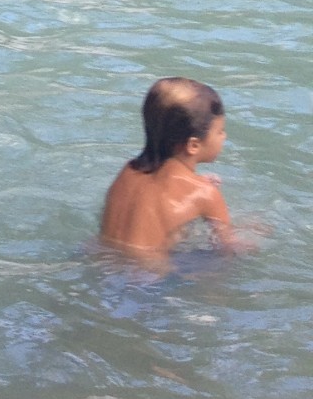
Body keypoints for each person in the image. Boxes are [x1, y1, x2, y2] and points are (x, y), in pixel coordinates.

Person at [99, 78, 238, 262]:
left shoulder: (128, 170)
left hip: (101, 259)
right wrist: (257, 233)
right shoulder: (206, 194)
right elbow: (228, 247)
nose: (224, 136)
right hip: (151, 281)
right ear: (193, 145)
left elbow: (155, 200)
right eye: (220, 131)